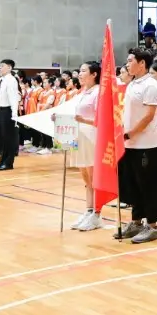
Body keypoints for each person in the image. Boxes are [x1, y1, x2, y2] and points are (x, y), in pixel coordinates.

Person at [116, 49, 157, 245]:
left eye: (130, 61)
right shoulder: (132, 84)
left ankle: (152, 226)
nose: (127, 64)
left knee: (148, 185)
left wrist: (131, 133)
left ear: (142, 63)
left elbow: (149, 116)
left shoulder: (151, 85)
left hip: (145, 145)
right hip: (129, 144)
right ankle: (136, 222)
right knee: (133, 185)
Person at [69, 61, 104, 231]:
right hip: (79, 136)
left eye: (83, 71)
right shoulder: (83, 92)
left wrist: (84, 120)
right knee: (85, 177)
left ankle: (97, 214)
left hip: (92, 137)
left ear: (94, 74)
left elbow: (102, 119)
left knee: (93, 176)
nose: (80, 74)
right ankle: (89, 210)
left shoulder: (98, 92)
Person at [0, 60, 20, 170]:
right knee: (1, 138)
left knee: (8, 138)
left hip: (8, 111)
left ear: (9, 68)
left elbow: (13, 98)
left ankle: (8, 163)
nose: (0, 68)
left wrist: (14, 115)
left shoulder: (11, 80)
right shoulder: (1, 80)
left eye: (2, 66)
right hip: (0, 110)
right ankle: (2, 161)